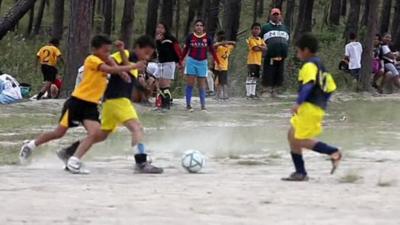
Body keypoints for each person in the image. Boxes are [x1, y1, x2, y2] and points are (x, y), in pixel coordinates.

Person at [19, 35, 138, 174]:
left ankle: (73, 160)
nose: (107, 54)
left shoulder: (107, 60)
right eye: (104, 51)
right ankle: (30, 145)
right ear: (94, 50)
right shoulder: (91, 60)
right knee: (58, 133)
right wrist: (133, 66)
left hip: (91, 106)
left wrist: (120, 65)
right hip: (77, 102)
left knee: (95, 133)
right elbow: (109, 69)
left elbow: (118, 69)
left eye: (108, 51)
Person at [57, 36, 163, 174]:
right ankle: (141, 162)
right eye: (146, 52)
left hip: (111, 101)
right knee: (137, 128)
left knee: (101, 134)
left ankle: (69, 151)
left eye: (150, 54)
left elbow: (128, 77)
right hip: (118, 100)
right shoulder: (126, 54)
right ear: (137, 47)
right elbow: (108, 59)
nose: (148, 57)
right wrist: (121, 53)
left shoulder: (133, 60)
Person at [283, 33, 342, 182]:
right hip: (315, 107)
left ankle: (333, 152)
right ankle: (300, 172)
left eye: (298, 50)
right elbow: (330, 87)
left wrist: (299, 102)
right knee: (292, 135)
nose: (297, 54)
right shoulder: (320, 65)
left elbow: (308, 85)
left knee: (299, 139)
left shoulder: (309, 65)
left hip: (309, 107)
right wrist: (322, 104)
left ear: (306, 50)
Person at [181, 19, 220, 112]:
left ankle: (203, 106)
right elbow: (185, 50)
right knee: (190, 83)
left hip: (202, 62)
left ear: (203, 27)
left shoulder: (207, 37)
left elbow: (212, 50)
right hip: (191, 61)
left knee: (202, 85)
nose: (199, 27)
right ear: (194, 27)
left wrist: (217, 61)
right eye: (197, 25)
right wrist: (180, 60)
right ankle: (188, 105)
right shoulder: (190, 37)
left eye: (201, 25)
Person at [261, 8, 290, 97]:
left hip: (281, 56)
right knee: (269, 73)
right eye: (274, 14)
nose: (276, 16)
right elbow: (259, 40)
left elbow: (288, 40)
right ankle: (266, 90)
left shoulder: (285, 28)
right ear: (271, 15)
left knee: (279, 74)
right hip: (269, 56)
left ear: (280, 15)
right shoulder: (265, 27)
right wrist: (262, 50)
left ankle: (275, 91)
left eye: (277, 14)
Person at [155, 22, 182, 110]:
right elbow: (159, 52)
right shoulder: (158, 39)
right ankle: (162, 104)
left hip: (169, 63)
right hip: (161, 63)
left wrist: (179, 62)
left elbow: (171, 51)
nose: (159, 30)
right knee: (161, 85)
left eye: (162, 28)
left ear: (165, 30)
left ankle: (167, 106)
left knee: (165, 85)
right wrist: (158, 42)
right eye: (158, 27)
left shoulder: (170, 39)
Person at [213, 31, 236, 99]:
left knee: (221, 82)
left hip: (220, 67)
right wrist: (227, 42)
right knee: (220, 82)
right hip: (221, 67)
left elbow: (234, 43)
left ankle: (224, 95)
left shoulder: (221, 47)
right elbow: (234, 44)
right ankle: (220, 95)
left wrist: (224, 43)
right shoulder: (227, 47)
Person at [246, 22, 266, 98]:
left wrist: (260, 47)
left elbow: (266, 48)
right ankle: (248, 93)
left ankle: (253, 93)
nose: (256, 30)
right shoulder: (251, 39)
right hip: (251, 61)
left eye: (258, 29)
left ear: (260, 31)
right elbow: (255, 48)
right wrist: (261, 47)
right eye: (255, 29)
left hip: (258, 61)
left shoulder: (261, 39)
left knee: (255, 78)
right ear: (252, 30)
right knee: (250, 77)